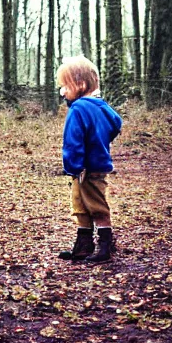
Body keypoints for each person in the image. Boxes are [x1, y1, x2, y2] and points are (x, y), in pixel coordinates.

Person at [56, 56, 122, 263]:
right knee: (80, 205)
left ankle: (105, 246)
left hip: (85, 168)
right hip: (93, 166)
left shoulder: (78, 109)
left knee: (95, 205)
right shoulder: (101, 106)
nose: (63, 92)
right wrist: (100, 142)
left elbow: (73, 141)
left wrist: (73, 165)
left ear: (80, 84)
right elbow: (116, 123)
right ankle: (83, 245)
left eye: (65, 87)